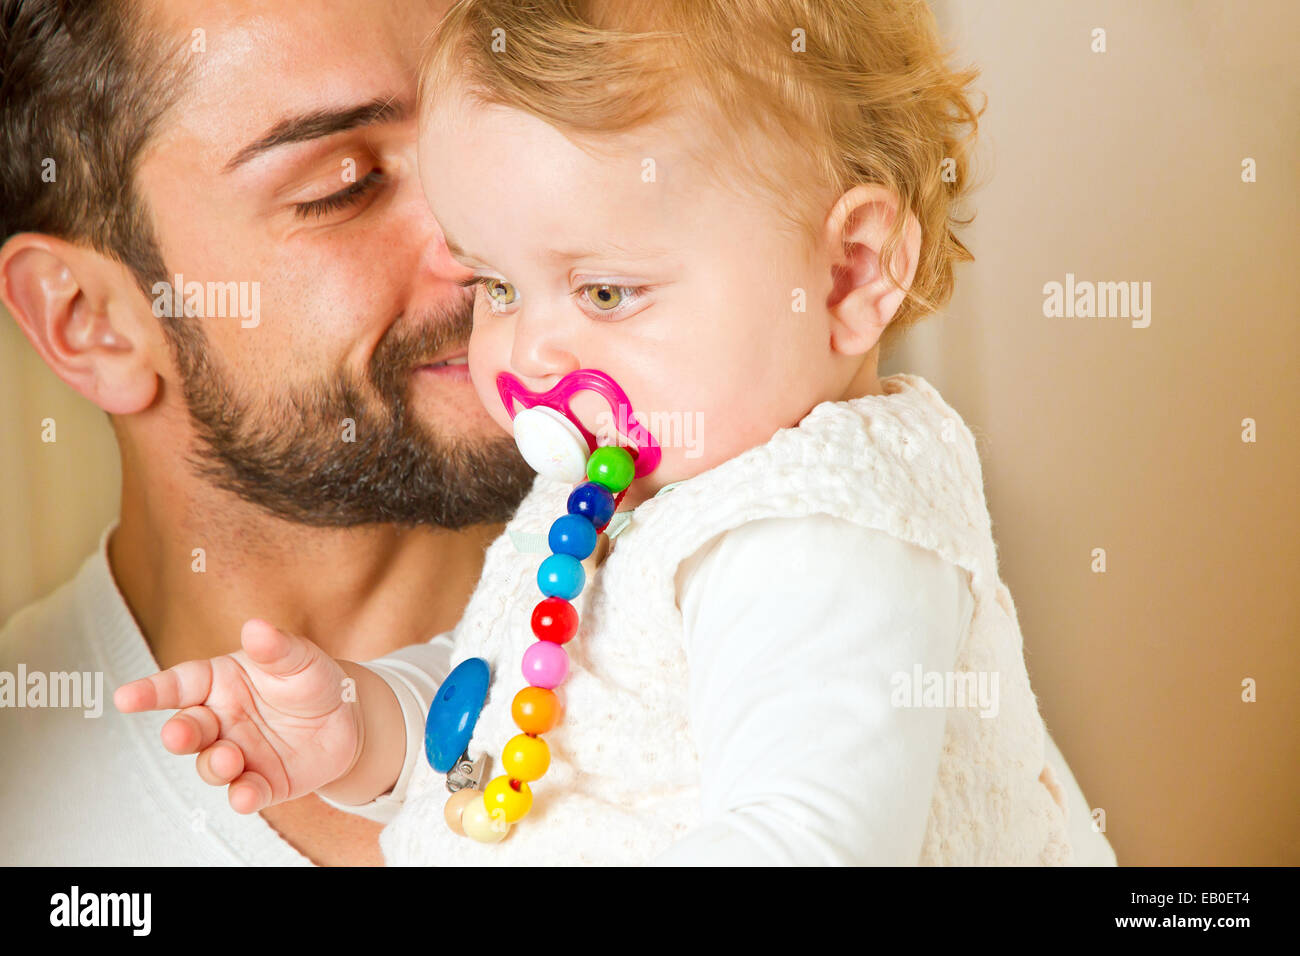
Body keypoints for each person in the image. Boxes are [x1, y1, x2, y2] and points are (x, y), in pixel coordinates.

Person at [115, 0, 1119, 865]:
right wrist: (367, 719)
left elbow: (806, 840)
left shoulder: (818, 533)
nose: (528, 350)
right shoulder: (637, 490)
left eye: (603, 289)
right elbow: (538, 696)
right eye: (498, 284)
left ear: (850, 274)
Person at [0, 0, 535, 865]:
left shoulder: (755, 605)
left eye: (495, 140)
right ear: (90, 321)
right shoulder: (25, 808)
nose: (485, 243)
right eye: (347, 184)